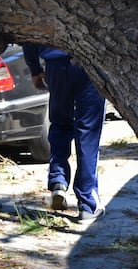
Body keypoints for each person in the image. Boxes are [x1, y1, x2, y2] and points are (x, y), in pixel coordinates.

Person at [20, 43, 106, 222]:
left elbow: (28, 33)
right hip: (88, 63)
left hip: (55, 65)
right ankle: (88, 203)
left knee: (60, 124)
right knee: (88, 132)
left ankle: (58, 180)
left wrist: (35, 69)